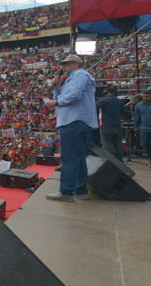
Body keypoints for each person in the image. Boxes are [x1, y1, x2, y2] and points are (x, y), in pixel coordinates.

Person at [46, 54, 98, 201]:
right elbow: (62, 95)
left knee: (69, 157)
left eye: (67, 64)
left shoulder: (80, 74)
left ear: (75, 64)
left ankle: (66, 191)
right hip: (76, 120)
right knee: (79, 157)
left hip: (73, 121)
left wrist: (56, 102)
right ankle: (80, 190)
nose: (64, 67)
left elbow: (74, 95)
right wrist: (57, 87)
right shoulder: (72, 77)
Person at [96, 85, 126, 162]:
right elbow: (123, 112)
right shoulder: (119, 101)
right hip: (117, 124)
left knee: (107, 143)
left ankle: (109, 161)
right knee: (118, 143)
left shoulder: (103, 100)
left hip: (106, 125)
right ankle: (119, 161)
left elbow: (94, 108)